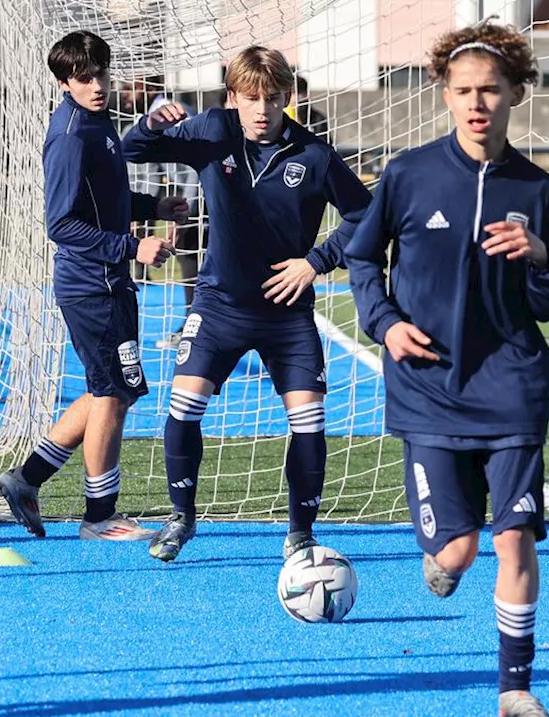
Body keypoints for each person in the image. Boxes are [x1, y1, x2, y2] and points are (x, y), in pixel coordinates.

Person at [344, 22, 549, 717]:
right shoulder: (409, 174)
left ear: (515, 96)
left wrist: (538, 254)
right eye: (465, 90)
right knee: (463, 549)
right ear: (445, 95)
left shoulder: (538, 191)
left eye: (491, 91)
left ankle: (514, 688)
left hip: (511, 387)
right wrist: (385, 325)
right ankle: (442, 555)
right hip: (428, 390)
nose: (478, 103)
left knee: (513, 536)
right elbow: (361, 259)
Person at [122, 45, 371, 563]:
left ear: (289, 98)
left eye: (274, 99)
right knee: (184, 405)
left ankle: (301, 533)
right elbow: (132, 152)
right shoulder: (212, 130)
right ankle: (181, 517)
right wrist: (149, 124)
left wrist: (316, 262)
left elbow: (367, 216)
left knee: (308, 421)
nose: (262, 109)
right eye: (251, 98)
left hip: (288, 314)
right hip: (219, 307)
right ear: (232, 97)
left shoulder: (315, 156)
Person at [0, 30, 187, 541]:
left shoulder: (98, 121)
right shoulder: (69, 136)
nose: (97, 84)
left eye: (102, 73)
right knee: (112, 392)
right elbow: (60, 224)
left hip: (107, 282)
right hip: (91, 286)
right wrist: (132, 247)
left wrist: (151, 207)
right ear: (64, 82)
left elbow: (103, 196)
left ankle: (26, 478)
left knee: (113, 390)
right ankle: (99, 516)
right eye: (84, 78)